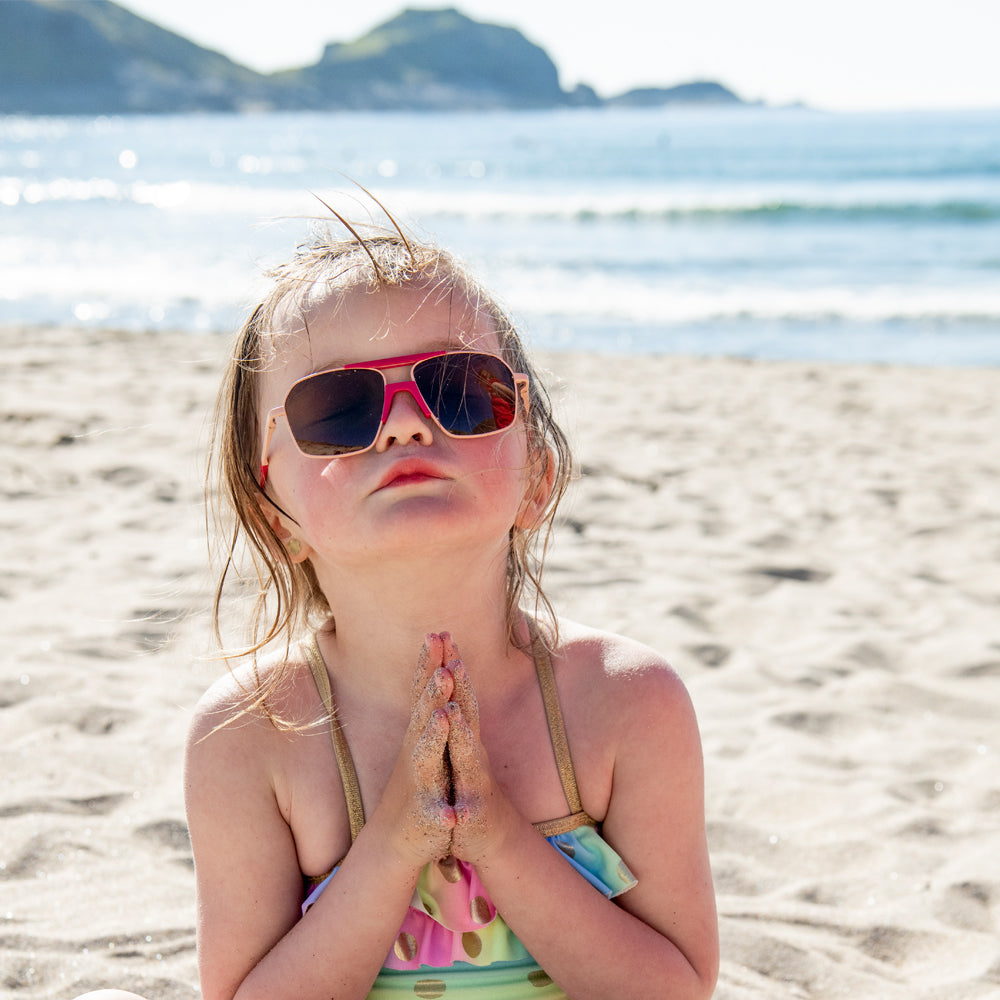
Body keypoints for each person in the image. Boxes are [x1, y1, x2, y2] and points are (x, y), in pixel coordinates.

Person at [83, 217, 718, 1000]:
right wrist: (392, 843)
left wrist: (497, 837)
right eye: (338, 409)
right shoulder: (251, 736)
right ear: (276, 515)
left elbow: (675, 989)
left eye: (458, 390)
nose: (408, 421)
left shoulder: (626, 701)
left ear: (539, 474)